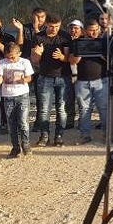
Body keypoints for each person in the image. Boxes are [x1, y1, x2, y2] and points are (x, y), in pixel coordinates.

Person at [31, 14, 72, 147]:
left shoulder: (65, 36)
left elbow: (69, 59)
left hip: (63, 76)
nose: (54, 29)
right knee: (44, 109)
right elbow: (34, 60)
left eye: (57, 26)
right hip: (45, 76)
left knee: (62, 108)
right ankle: (44, 136)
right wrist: (38, 53)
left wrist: (61, 57)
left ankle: (59, 135)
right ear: (46, 25)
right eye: (51, 26)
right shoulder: (39, 37)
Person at [68, 19, 109, 145]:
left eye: (96, 30)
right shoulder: (77, 42)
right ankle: (85, 135)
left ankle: (106, 134)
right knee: (84, 109)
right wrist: (80, 52)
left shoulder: (104, 42)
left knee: (104, 108)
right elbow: (72, 61)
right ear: (85, 31)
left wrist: (103, 55)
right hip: (82, 81)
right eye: (91, 30)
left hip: (101, 80)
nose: (94, 33)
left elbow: (112, 61)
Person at [0, 42, 34, 158]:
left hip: (22, 95)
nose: (10, 60)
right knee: (11, 124)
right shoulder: (2, 63)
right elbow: (0, 77)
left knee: (23, 122)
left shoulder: (25, 62)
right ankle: (15, 147)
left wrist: (24, 80)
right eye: (8, 57)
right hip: (8, 97)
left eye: (12, 57)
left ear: (19, 53)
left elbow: (30, 77)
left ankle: (26, 145)